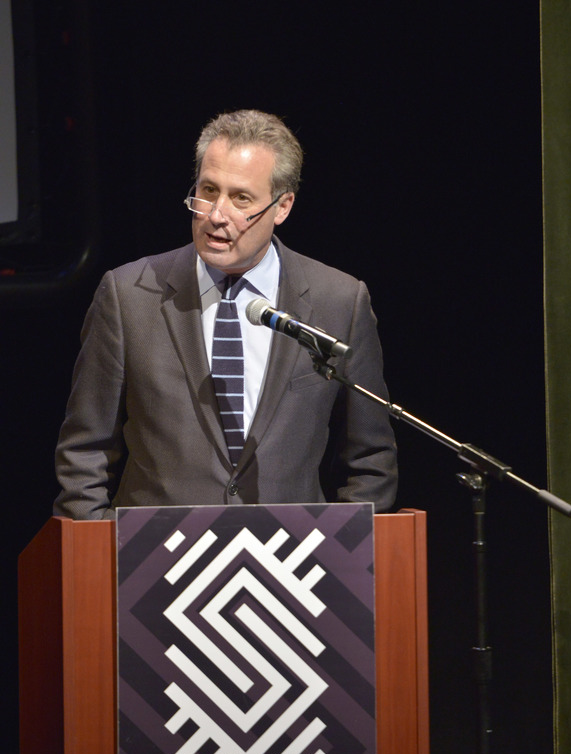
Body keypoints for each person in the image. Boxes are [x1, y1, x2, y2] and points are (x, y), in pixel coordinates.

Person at [53, 109, 398, 519]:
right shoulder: (129, 295)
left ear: (282, 206)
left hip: (291, 565)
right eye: (208, 190)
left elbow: (371, 459)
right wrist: (101, 555)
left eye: (241, 199)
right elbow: (84, 452)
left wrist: (339, 556)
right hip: (154, 564)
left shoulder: (339, 301)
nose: (216, 215)